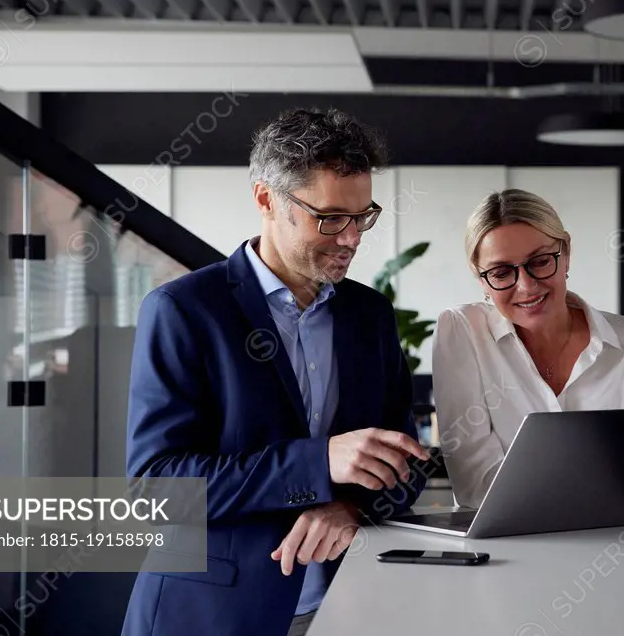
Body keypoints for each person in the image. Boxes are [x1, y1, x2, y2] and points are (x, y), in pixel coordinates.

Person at [121, 108, 430, 636]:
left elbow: (407, 460)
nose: (352, 238)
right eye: (330, 218)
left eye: (362, 217)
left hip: (345, 607)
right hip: (210, 616)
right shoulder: (184, 309)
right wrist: (318, 464)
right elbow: (157, 489)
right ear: (267, 199)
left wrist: (350, 507)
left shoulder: (369, 315)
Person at [431, 188, 624, 563]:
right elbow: (478, 489)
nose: (526, 286)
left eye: (540, 261)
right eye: (502, 272)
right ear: (480, 276)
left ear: (565, 252)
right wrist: (619, 496)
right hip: (509, 565)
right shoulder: (462, 332)